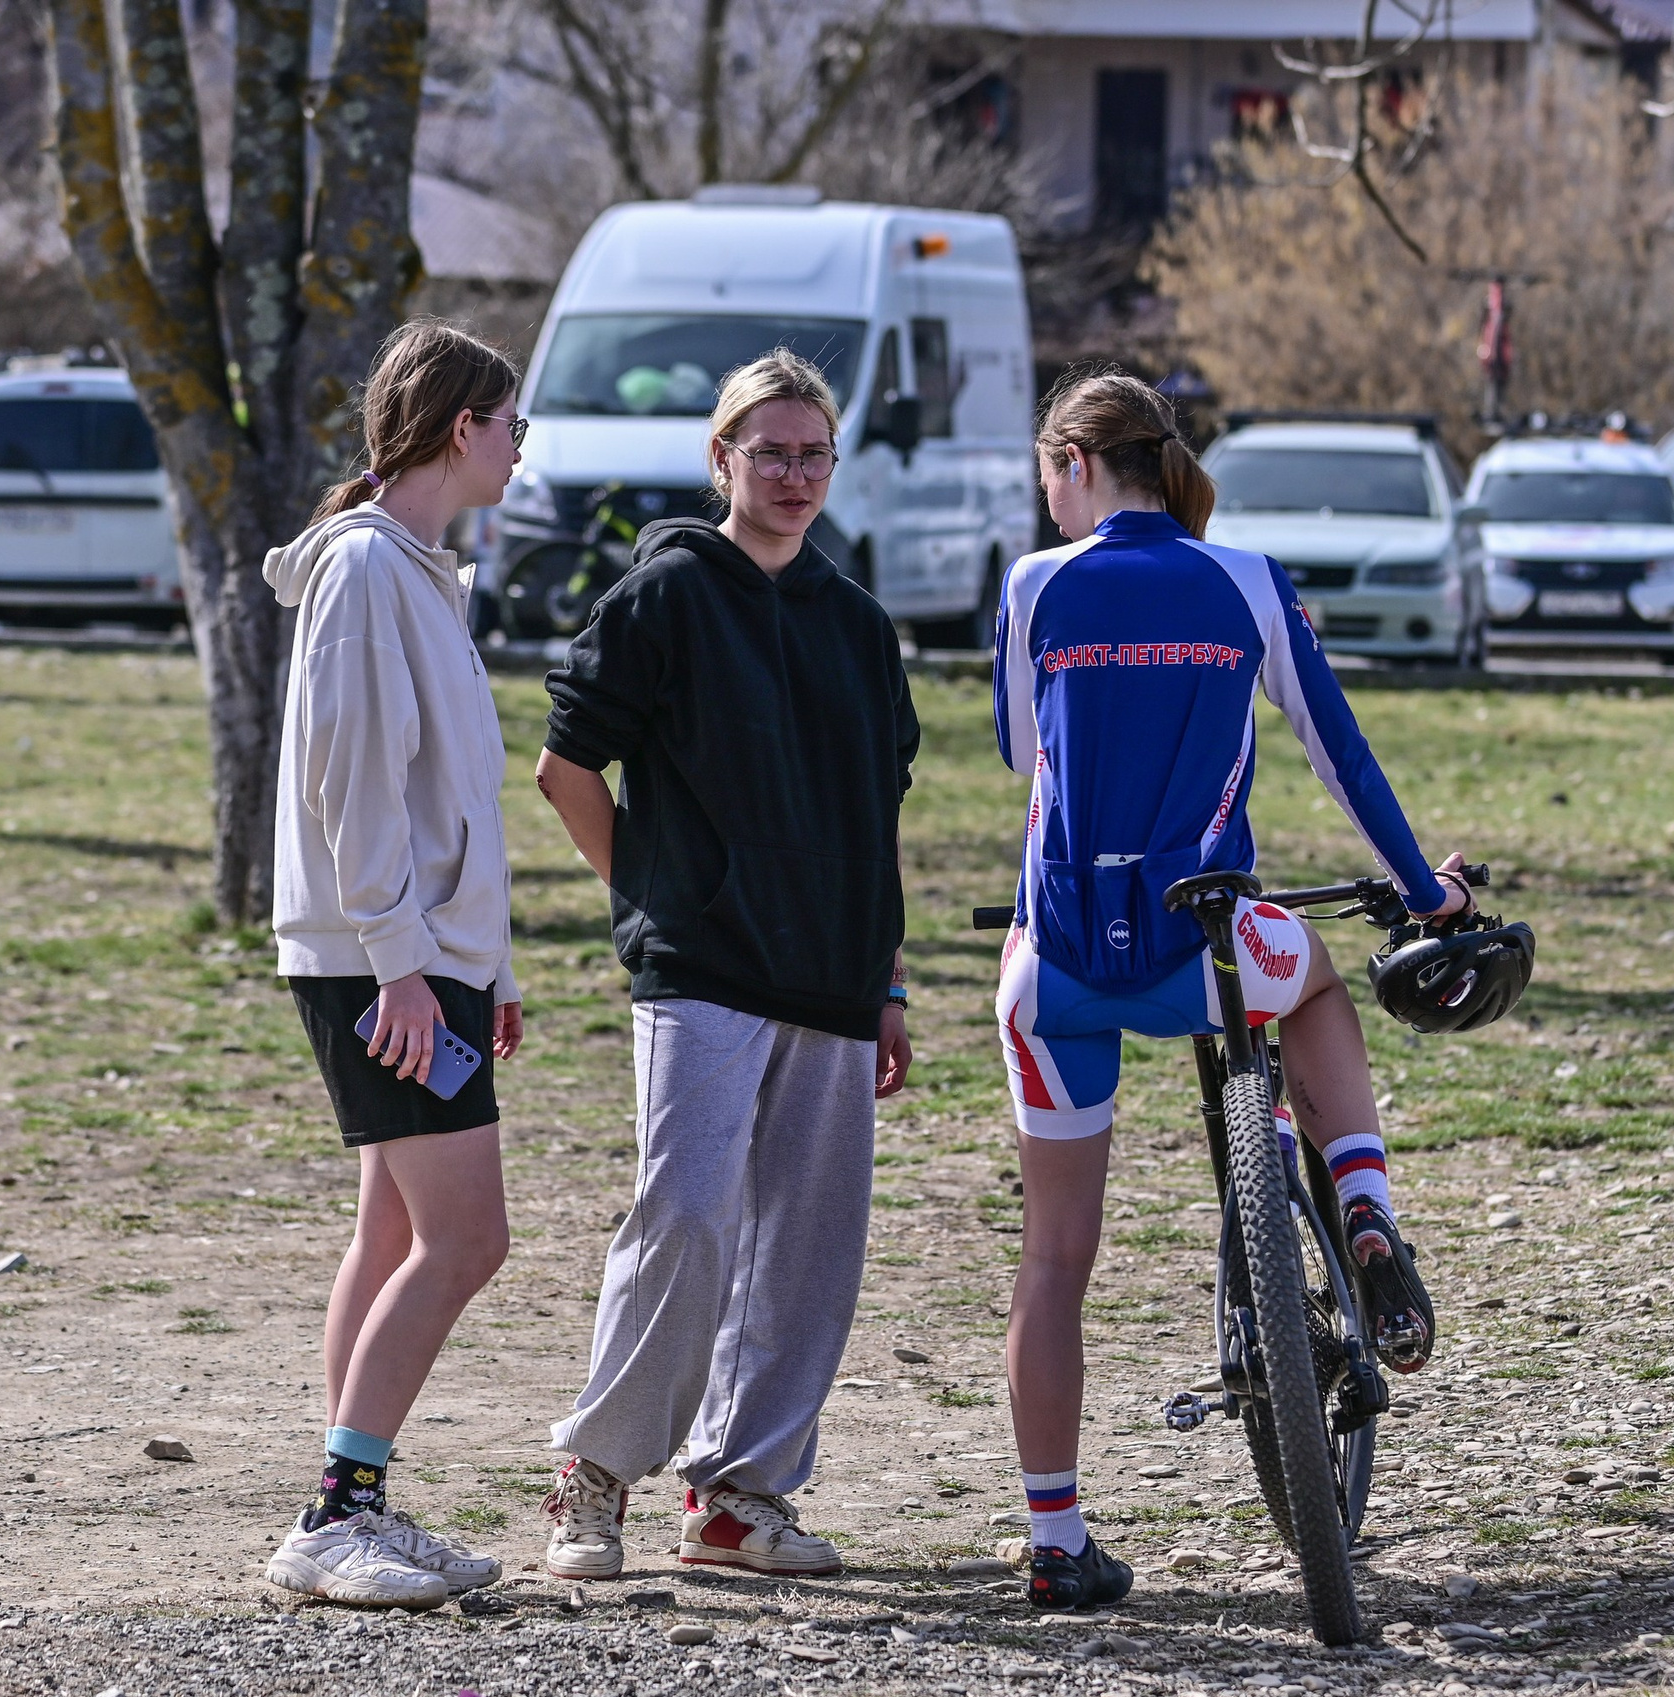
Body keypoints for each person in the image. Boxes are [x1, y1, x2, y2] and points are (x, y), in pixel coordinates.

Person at [991, 372, 1472, 1611]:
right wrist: (1422, 890)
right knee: (1314, 992)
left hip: (1056, 967)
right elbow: (1339, 751)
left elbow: (1017, 754)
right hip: (1206, 957)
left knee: (1053, 1260)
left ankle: (1056, 1539)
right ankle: (1361, 1206)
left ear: (1074, 466)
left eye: (1046, 474)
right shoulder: (1244, 579)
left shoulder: (1032, 586)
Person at [531, 349, 918, 1581]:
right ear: (721, 461)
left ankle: (739, 1500)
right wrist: (653, 895)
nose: (795, 475)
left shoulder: (857, 624)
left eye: (814, 454)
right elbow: (564, 766)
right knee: (685, 1217)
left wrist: (890, 982)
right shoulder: (666, 596)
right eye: (771, 452)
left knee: (807, 1250)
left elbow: (874, 815)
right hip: (702, 966)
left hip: (836, 976)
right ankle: (591, 1481)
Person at [258, 319, 529, 1611]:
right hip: (384, 960)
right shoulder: (367, 572)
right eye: (510, 421)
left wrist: (491, 962)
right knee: (469, 1235)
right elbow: (351, 784)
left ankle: (355, 1491)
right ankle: (336, 1511)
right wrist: (404, 966)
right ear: (461, 428)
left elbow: (453, 794)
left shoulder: (419, 569)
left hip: (424, 954)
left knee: (393, 1226)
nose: (521, 444)